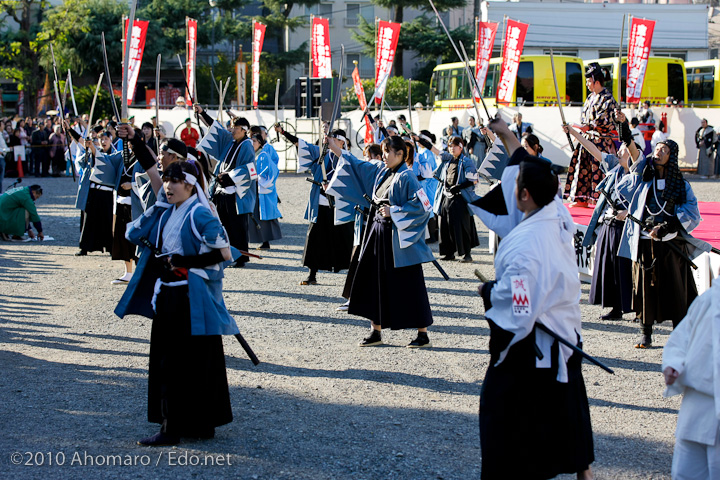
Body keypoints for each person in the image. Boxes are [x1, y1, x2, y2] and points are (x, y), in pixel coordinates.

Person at [476, 144, 594, 480]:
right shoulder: (557, 215)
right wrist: (504, 134)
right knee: (558, 428)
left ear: (525, 195)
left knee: (509, 434)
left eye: (514, 186)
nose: (509, 191)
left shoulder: (526, 247)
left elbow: (521, 310)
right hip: (564, 337)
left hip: (533, 351)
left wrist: (490, 292)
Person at [114, 160, 238, 446]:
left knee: (175, 361)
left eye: (175, 181)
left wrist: (185, 261)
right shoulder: (169, 210)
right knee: (188, 360)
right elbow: (133, 234)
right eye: (166, 180)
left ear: (191, 184)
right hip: (171, 293)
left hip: (186, 297)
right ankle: (197, 423)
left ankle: (172, 429)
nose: (168, 186)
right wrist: (158, 206)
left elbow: (224, 254)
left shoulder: (200, 214)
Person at [326, 136, 435, 348]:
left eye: (388, 152)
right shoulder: (383, 171)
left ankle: (423, 334)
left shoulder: (408, 177)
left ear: (400, 154)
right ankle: (375, 331)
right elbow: (359, 166)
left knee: (410, 284)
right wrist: (335, 149)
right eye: (383, 151)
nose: (384, 156)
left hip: (398, 240)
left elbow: (424, 206)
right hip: (377, 232)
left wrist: (394, 211)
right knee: (374, 281)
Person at [616, 139, 709, 348]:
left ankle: (681, 335)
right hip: (644, 243)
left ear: (671, 157)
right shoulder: (643, 179)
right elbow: (634, 154)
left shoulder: (681, 185)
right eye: (656, 149)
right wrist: (624, 130)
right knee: (645, 289)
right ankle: (645, 334)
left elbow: (692, 213)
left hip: (671, 244)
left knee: (677, 290)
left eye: (664, 150)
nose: (658, 152)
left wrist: (667, 227)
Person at [566, 111, 641, 321]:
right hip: (609, 224)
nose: (621, 150)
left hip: (628, 225)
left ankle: (637, 309)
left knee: (629, 268)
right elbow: (592, 150)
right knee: (610, 267)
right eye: (622, 149)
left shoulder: (638, 173)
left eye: (625, 149)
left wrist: (623, 125)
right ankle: (616, 308)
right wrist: (574, 133)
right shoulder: (613, 167)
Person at [274, 123, 354, 285]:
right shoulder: (321, 154)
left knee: (346, 240)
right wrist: (283, 132)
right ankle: (312, 274)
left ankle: (354, 275)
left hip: (340, 207)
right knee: (315, 239)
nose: (330, 142)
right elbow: (301, 144)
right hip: (320, 203)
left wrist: (333, 187)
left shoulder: (348, 159)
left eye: (334, 140)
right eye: (329, 139)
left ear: (341, 142)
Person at [662, 280, 720, 479]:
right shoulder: (709, 299)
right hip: (697, 407)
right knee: (685, 473)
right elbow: (681, 339)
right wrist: (673, 364)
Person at [195, 105, 256, 268]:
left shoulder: (247, 145)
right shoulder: (230, 141)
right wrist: (203, 114)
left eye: (235, 127)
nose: (232, 130)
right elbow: (217, 130)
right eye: (231, 126)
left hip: (236, 192)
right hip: (223, 189)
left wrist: (230, 177)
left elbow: (250, 169)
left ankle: (241, 257)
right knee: (225, 225)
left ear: (244, 130)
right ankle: (227, 255)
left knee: (237, 227)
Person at [564, 63, 618, 207]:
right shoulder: (590, 98)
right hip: (587, 138)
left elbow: (604, 119)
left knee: (598, 170)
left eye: (589, 81)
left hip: (601, 141)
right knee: (583, 169)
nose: (587, 84)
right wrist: (578, 129)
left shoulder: (607, 98)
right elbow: (584, 120)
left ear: (597, 82)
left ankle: (601, 200)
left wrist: (585, 126)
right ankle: (581, 199)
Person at [426, 135, 480, 263]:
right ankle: (448, 253)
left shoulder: (466, 161)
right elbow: (435, 150)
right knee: (444, 225)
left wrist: (459, 187)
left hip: (460, 198)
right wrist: (420, 140)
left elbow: (473, 180)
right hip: (446, 196)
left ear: (461, 147)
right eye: (450, 146)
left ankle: (467, 254)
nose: (452, 148)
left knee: (462, 226)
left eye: (455, 146)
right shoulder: (448, 160)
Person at [248, 132, 282, 249]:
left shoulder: (263, 155)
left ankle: (265, 241)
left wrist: (259, 179)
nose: (252, 143)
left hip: (262, 189)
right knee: (256, 215)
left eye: (255, 141)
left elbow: (270, 172)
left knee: (263, 215)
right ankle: (260, 239)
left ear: (260, 143)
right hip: (254, 187)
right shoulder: (253, 154)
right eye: (251, 141)